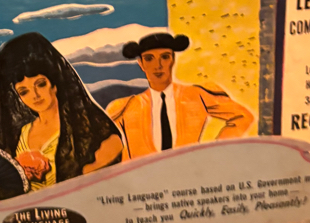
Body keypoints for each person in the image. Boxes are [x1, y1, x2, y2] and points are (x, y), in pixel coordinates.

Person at [0, 32, 122, 190]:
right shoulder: (21, 134)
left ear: (55, 83)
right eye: (24, 92)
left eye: (40, 84)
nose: (35, 95)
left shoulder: (98, 136)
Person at [106, 33, 253, 159]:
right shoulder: (125, 107)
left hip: (187, 174)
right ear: (141, 64)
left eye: (165, 57)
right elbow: (103, 144)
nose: (158, 65)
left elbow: (243, 116)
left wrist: (214, 152)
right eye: (149, 58)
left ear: (173, 60)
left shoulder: (196, 95)